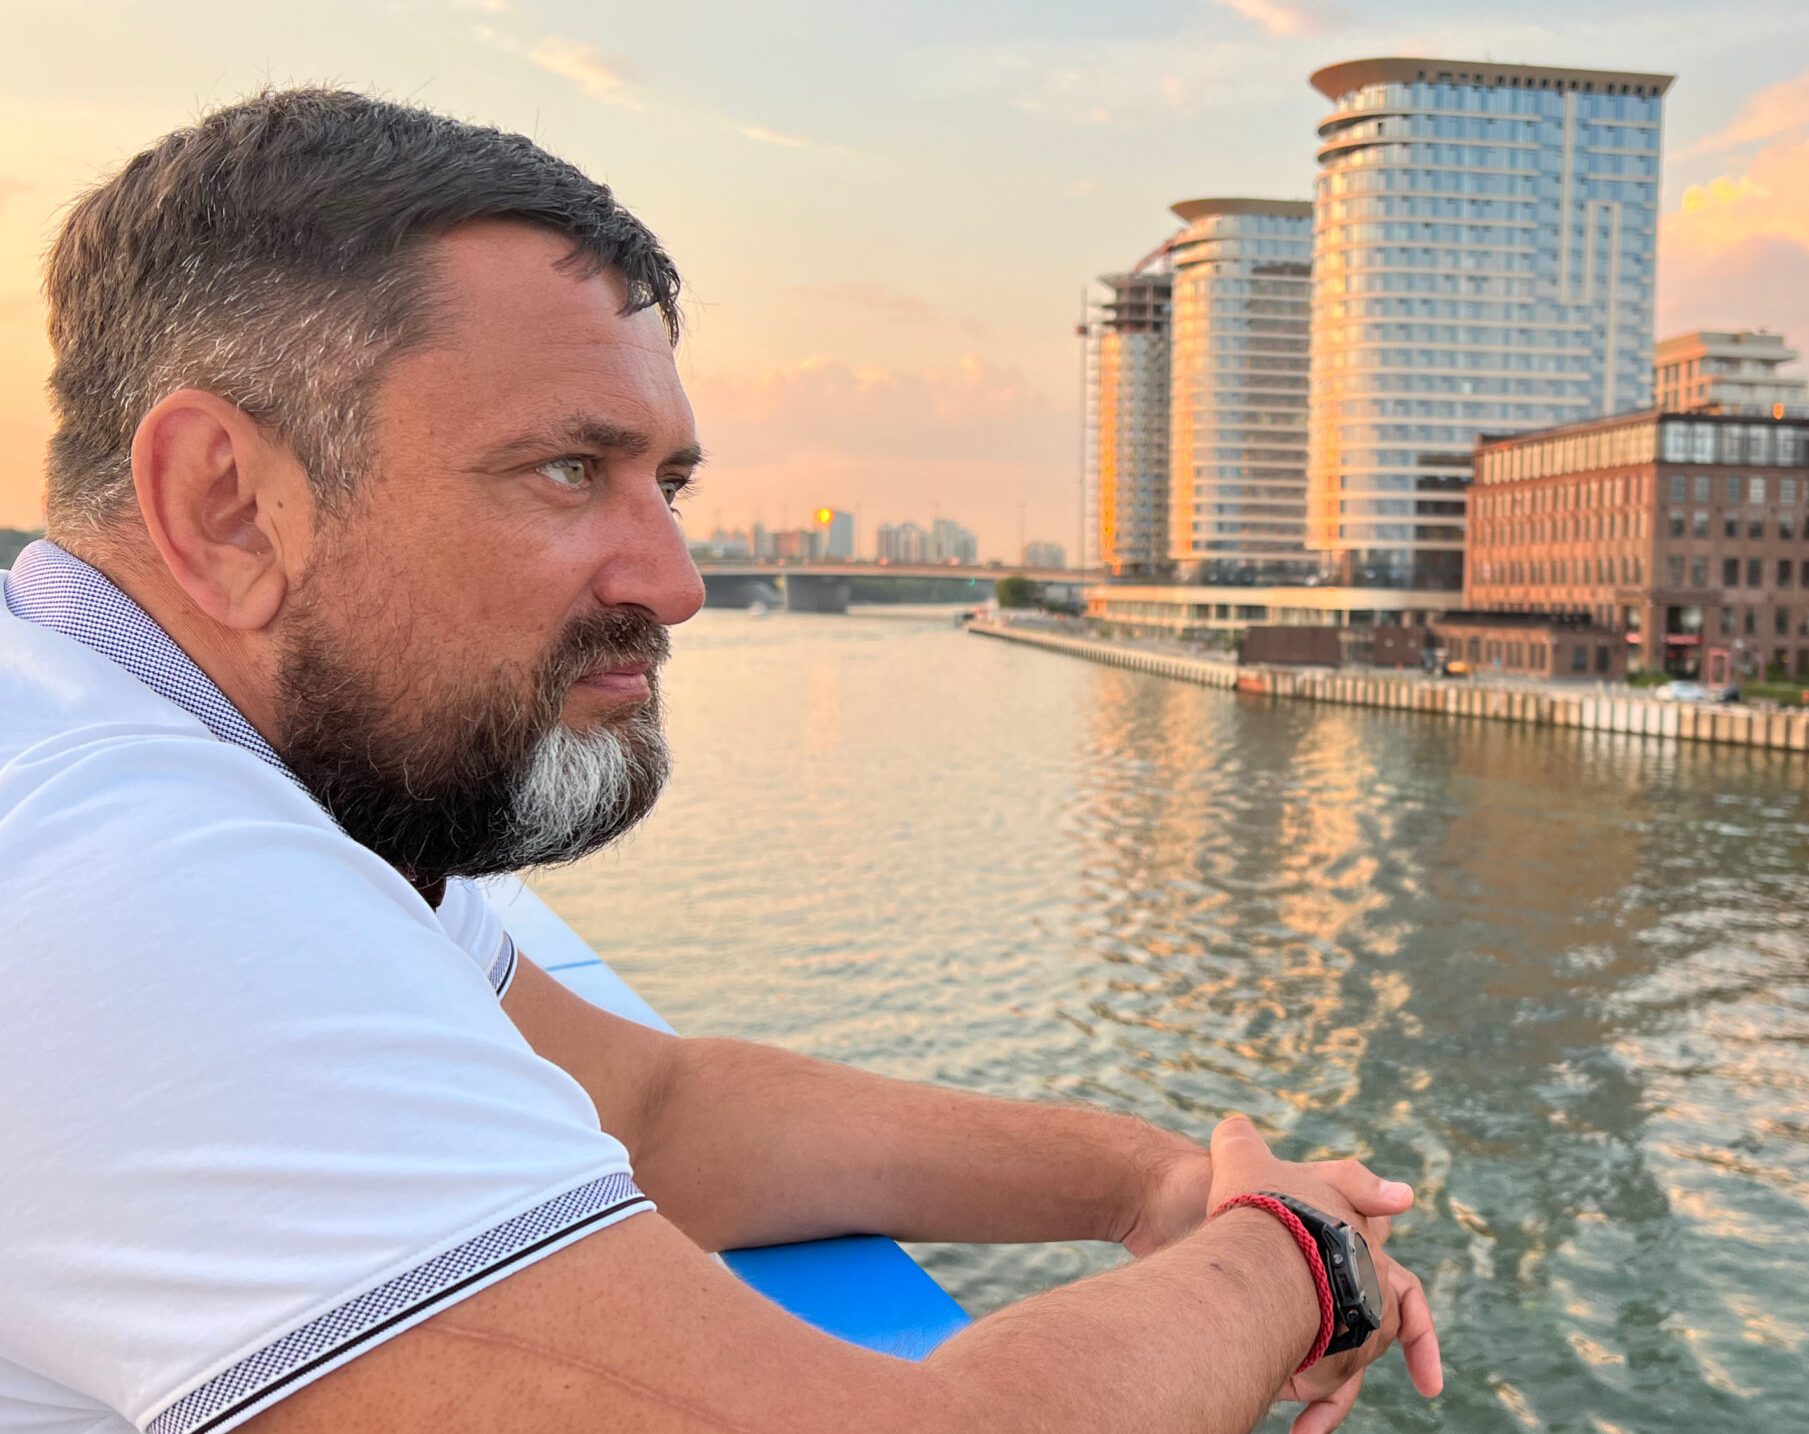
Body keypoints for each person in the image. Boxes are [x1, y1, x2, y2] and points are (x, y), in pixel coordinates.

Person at [0, 90, 1442, 1434]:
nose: (680, 580)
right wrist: (1292, 1259)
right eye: (569, 469)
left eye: (667, 483)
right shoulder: (127, 885)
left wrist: (1161, 1179)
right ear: (229, 504)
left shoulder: (244, 762)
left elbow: (657, 1112)